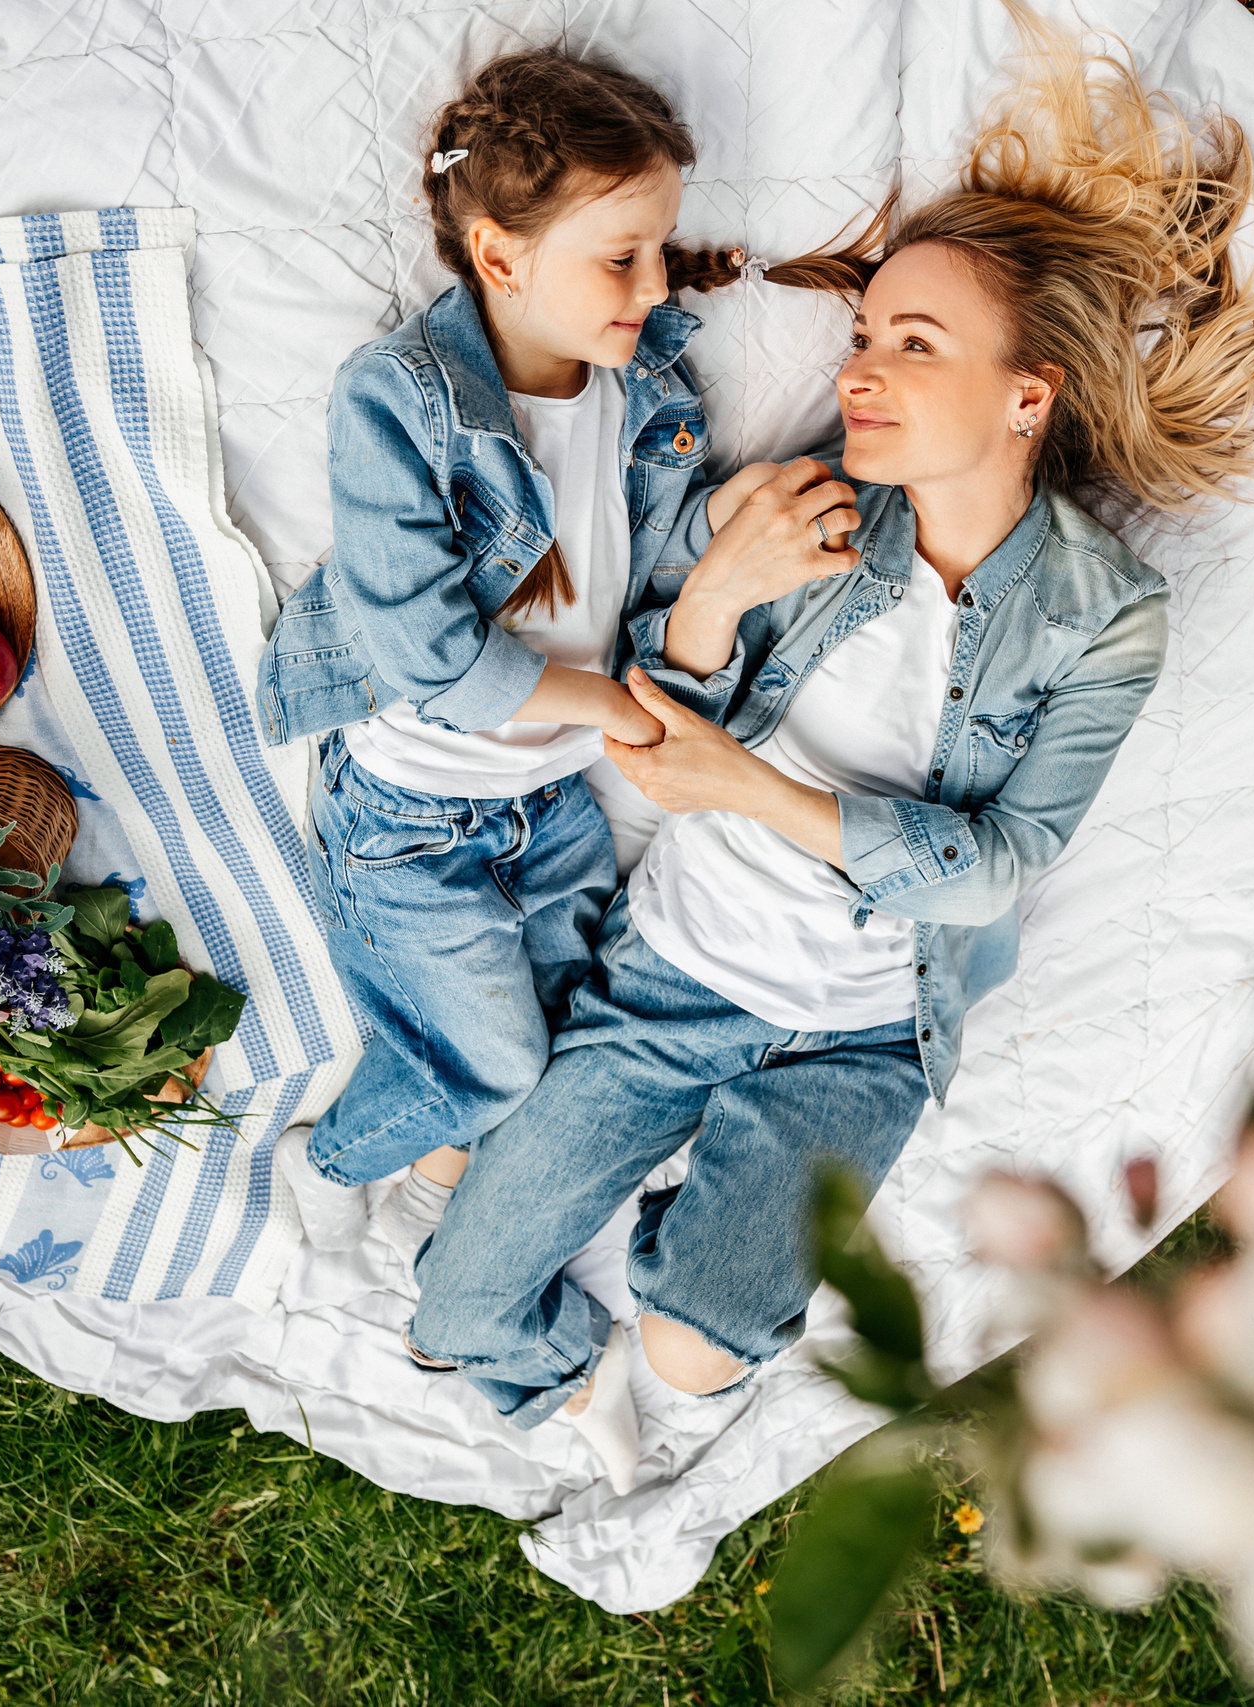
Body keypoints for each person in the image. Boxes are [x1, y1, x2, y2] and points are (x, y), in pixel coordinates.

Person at [407, 6, 1254, 1492]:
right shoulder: (806, 506)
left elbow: (993, 871)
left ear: (1027, 395)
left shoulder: (1106, 615)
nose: (860, 369)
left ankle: (677, 1247)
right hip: (671, 975)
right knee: (457, 1309)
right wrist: (712, 590)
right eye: (859, 336)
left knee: (700, 1348)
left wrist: (748, 786)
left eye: (913, 342)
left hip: (857, 1037)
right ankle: (584, 1252)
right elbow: (637, 709)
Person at [253, 49, 769, 1259]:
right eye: (619, 258)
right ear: (498, 255)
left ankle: (446, 1167)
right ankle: (332, 1156)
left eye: (656, 251)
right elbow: (428, 652)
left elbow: (640, 558)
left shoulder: (636, 386)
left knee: (555, 1032)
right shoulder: (400, 398)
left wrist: (736, 527)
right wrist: (605, 706)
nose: (647, 287)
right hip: (410, 814)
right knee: (492, 1065)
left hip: (545, 802)